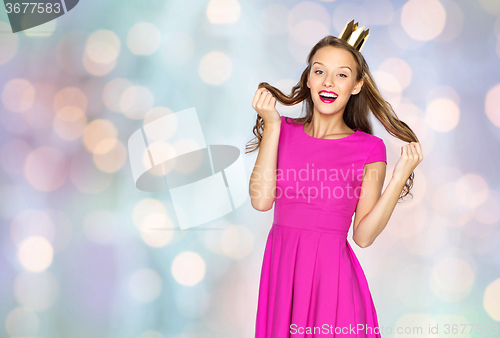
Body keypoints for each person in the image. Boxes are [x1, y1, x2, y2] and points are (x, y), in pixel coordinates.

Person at [246, 30, 423, 337]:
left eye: (341, 75)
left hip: (332, 286)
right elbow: (261, 201)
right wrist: (272, 124)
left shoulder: (368, 149)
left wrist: (399, 176)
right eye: (320, 72)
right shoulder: (282, 131)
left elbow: (364, 236)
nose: (328, 82)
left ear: (356, 85)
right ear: (309, 80)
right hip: (282, 273)